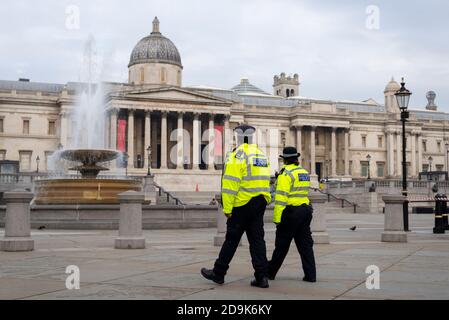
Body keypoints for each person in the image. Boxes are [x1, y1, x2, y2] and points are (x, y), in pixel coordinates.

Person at [201, 124, 272, 288]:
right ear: (252, 137)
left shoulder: (237, 155)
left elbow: (230, 185)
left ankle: (218, 273)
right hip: (260, 202)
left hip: (241, 204)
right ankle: (262, 277)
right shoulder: (261, 155)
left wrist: (227, 208)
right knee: (257, 241)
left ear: (237, 137)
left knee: (231, 240)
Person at [268, 146, 316, 282]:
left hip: (291, 212)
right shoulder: (304, 172)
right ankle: (311, 275)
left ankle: (270, 272)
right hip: (305, 211)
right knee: (305, 246)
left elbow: (281, 198)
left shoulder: (286, 174)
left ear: (285, 160)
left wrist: (277, 219)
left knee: (282, 245)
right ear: (296, 159)